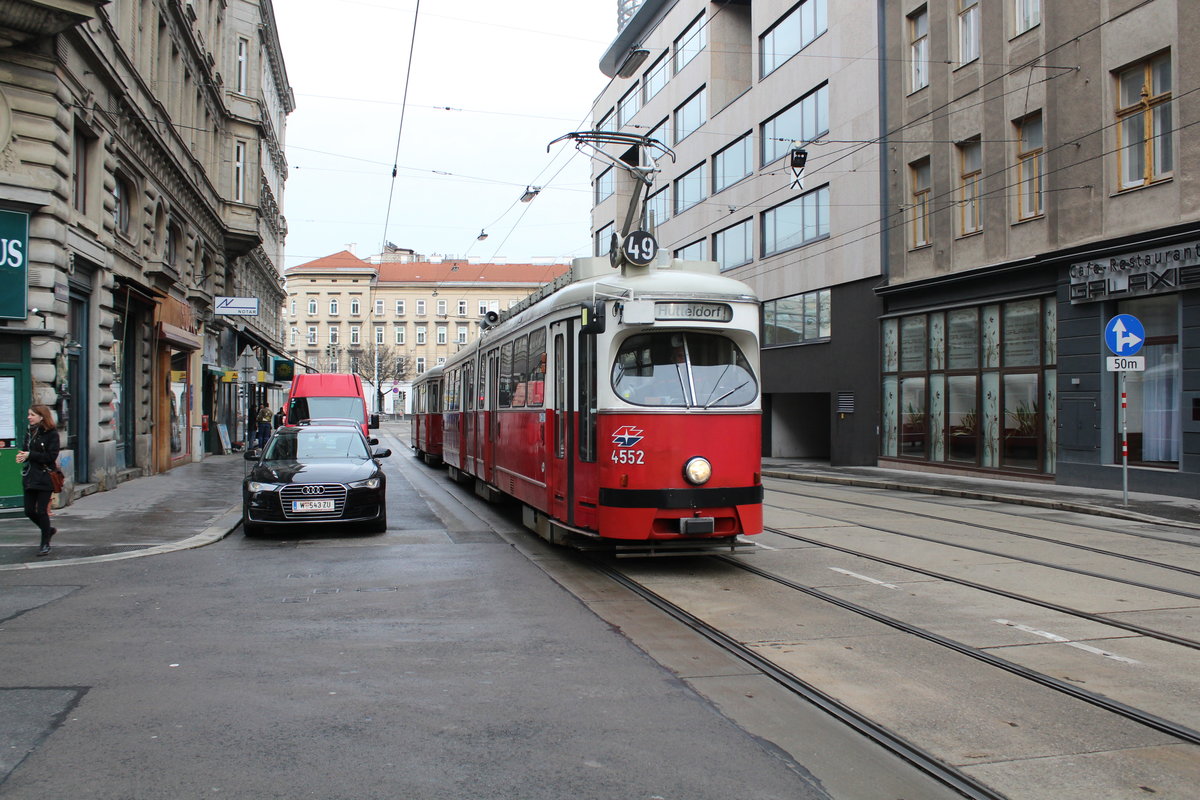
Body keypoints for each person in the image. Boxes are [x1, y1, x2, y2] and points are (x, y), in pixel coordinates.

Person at [15, 404, 61, 557]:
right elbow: (25, 450)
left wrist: (30, 455)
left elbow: (50, 457)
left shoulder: (52, 434)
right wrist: (22, 456)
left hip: (44, 477)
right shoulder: (30, 431)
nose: (29, 417)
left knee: (42, 511)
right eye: (29, 414)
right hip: (30, 476)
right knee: (28, 510)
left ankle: (45, 543)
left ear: (42, 417)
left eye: (32, 415)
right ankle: (48, 530)